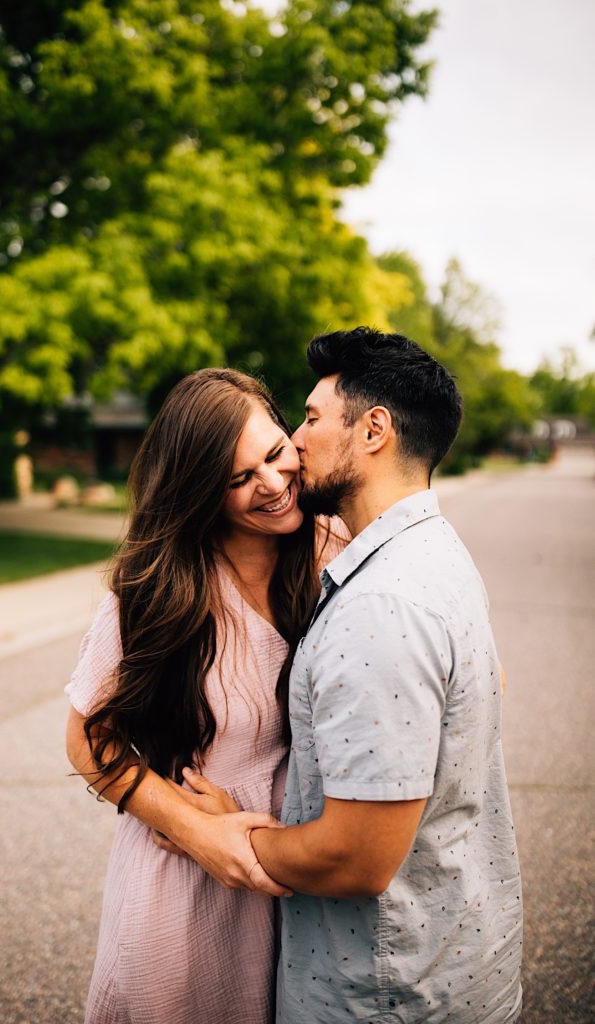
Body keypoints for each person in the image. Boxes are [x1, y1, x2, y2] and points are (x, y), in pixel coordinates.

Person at [181, 328, 523, 1023]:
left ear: (373, 431)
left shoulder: (379, 607)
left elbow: (354, 862)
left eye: (309, 418)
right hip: (449, 959)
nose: (294, 441)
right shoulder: (433, 550)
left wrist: (232, 836)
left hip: (383, 990)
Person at [65, 368, 347, 1024]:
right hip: (186, 889)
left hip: (302, 874)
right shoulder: (156, 587)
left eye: (275, 454)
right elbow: (86, 735)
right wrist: (196, 831)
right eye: (237, 478)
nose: (273, 485)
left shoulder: (337, 547)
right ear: (199, 490)